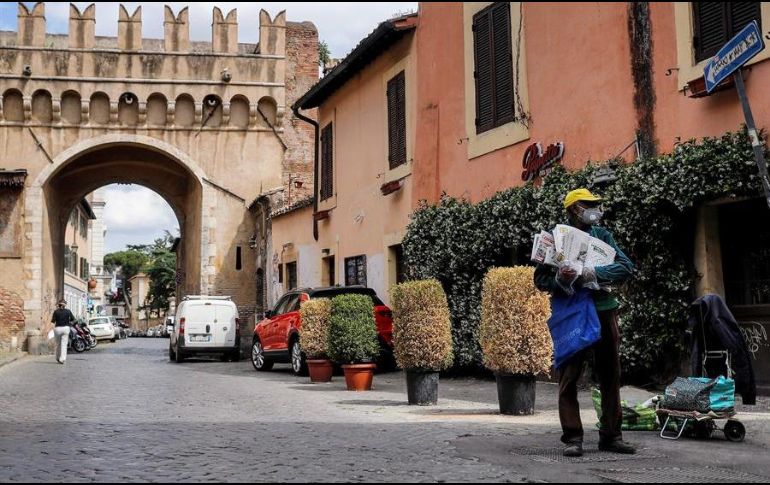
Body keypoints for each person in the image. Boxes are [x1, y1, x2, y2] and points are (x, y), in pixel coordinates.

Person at [534, 188, 636, 457]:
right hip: (572, 313)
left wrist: (592, 271)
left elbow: (625, 267)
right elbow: (540, 279)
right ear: (572, 210)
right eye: (586, 204)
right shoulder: (555, 240)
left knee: (610, 375)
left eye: (595, 204)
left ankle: (612, 436)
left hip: (603, 310)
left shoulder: (603, 236)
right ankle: (572, 438)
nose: (594, 209)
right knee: (569, 376)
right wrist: (560, 279)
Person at [51, 299, 75, 365]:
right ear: (65, 305)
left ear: (59, 305)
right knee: (64, 344)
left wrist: (52, 329)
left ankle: (57, 357)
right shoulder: (68, 311)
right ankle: (62, 359)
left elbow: (53, 321)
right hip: (66, 328)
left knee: (58, 344)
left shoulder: (56, 312)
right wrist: (70, 324)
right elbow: (74, 320)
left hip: (58, 328)